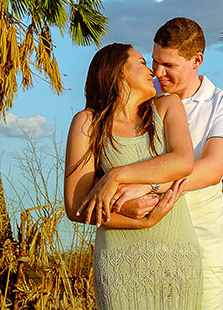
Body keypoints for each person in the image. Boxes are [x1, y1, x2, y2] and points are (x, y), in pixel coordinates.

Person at [113, 18, 223, 310]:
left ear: (197, 60)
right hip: (142, 246)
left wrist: (146, 186)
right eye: (155, 61)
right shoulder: (142, 97)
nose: (158, 72)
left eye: (169, 65)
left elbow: (211, 169)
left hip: (200, 247)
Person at [64, 42, 203, 310]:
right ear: (118, 73)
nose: (152, 71)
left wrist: (115, 176)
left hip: (177, 260)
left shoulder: (167, 107)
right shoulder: (88, 123)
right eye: (141, 63)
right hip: (119, 264)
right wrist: (141, 222)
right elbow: (75, 206)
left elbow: (183, 161)